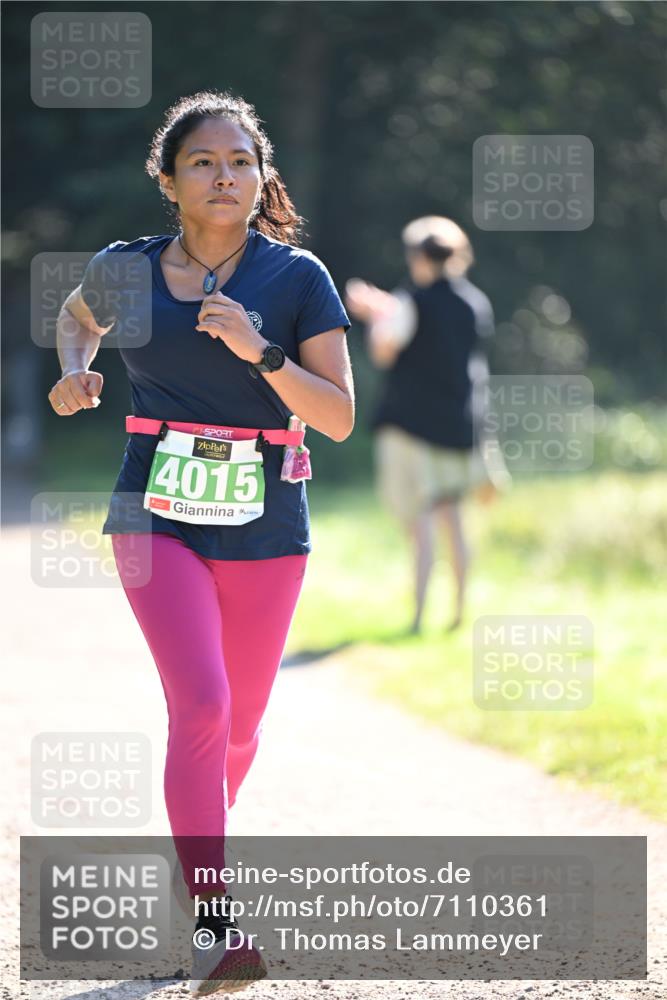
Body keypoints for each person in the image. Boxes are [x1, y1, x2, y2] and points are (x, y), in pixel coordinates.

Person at [48, 90, 354, 995]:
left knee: (240, 728)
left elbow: (337, 418)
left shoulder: (297, 279)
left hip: (266, 516)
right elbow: (75, 319)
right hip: (155, 507)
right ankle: (218, 925)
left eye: (240, 162)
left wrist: (262, 354)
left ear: (263, 178)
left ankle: (195, 853)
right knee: (204, 702)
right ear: (169, 180)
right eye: (203, 163)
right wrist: (77, 370)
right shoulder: (125, 267)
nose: (224, 177)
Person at [345, 216, 507, 634]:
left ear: (418, 256)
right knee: (452, 519)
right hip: (460, 425)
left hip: (411, 426)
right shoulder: (476, 302)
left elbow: (385, 352)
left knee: (418, 523)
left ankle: (417, 615)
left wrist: (376, 315)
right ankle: (457, 611)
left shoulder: (409, 301)